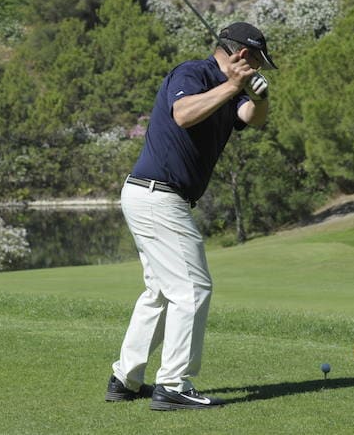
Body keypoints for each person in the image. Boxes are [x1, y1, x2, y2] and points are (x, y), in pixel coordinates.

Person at [104, 21, 276, 411]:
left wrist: (259, 98)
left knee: (161, 293)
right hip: (157, 195)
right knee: (193, 289)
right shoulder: (192, 73)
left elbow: (252, 118)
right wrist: (234, 86)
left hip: (155, 196)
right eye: (260, 63)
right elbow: (183, 113)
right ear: (243, 55)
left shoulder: (229, 89)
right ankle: (173, 385)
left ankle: (126, 379)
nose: (260, 70)